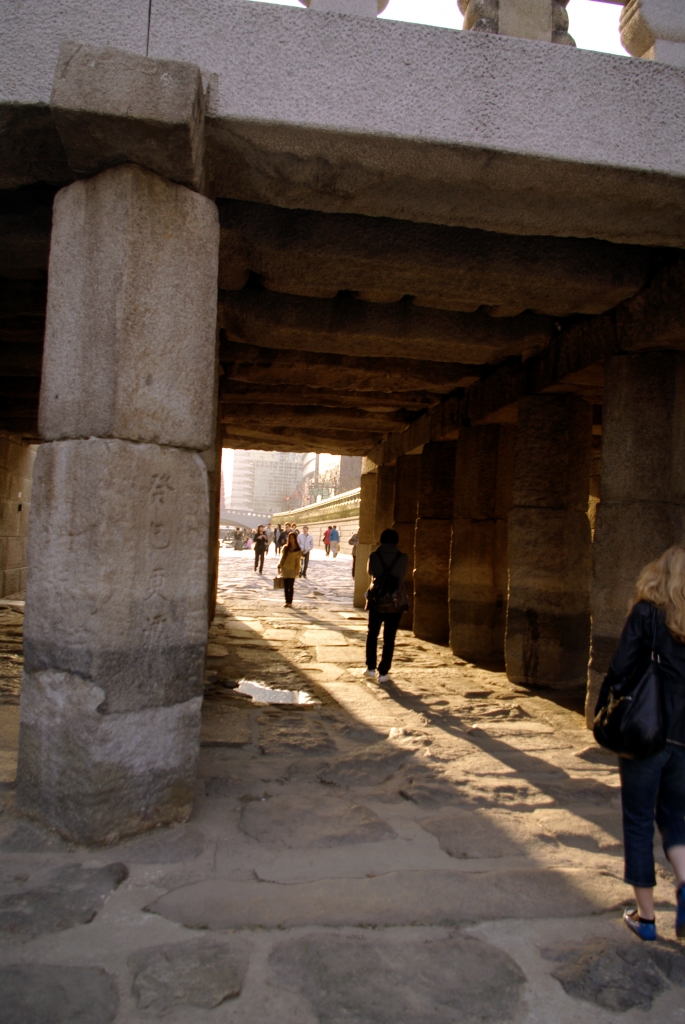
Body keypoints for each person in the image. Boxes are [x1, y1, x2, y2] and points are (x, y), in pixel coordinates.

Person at [595, 546, 685, 942]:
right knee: (676, 818)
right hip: (683, 736)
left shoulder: (647, 612)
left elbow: (620, 667)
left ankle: (646, 918)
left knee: (637, 820)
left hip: (646, 729)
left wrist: (607, 704)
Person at [363, 528, 408, 684]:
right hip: (395, 601)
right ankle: (383, 672)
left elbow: (370, 572)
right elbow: (403, 575)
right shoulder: (403, 557)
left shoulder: (374, 556)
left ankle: (370, 668)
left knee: (372, 634)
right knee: (390, 637)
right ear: (396, 541)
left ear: (381, 540)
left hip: (377, 599)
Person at [278, 532, 302, 607]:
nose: (291, 540)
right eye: (290, 538)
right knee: (285, 586)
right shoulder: (286, 548)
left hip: (292, 569)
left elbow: (298, 561)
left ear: (295, 539)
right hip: (285, 568)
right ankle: (286, 601)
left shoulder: (298, 549)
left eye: (293, 538)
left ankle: (290, 602)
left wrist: (297, 569)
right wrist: (279, 566)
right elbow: (282, 558)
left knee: (290, 586)